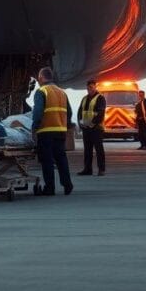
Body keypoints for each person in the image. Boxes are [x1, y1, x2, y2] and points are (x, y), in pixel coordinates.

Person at [31, 66, 74, 195]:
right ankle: (67, 185)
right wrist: (64, 126)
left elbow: (38, 112)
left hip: (46, 132)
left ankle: (50, 188)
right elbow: (69, 112)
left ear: (41, 78)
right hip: (60, 131)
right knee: (61, 159)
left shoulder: (42, 91)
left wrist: (34, 128)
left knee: (47, 161)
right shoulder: (62, 92)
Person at [77, 79, 106, 176]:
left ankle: (101, 169)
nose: (90, 89)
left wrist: (93, 123)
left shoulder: (100, 98)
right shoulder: (84, 98)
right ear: (87, 88)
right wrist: (80, 123)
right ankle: (87, 169)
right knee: (87, 150)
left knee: (99, 149)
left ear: (95, 87)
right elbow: (80, 112)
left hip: (96, 128)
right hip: (86, 128)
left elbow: (101, 113)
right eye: (88, 87)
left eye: (92, 87)